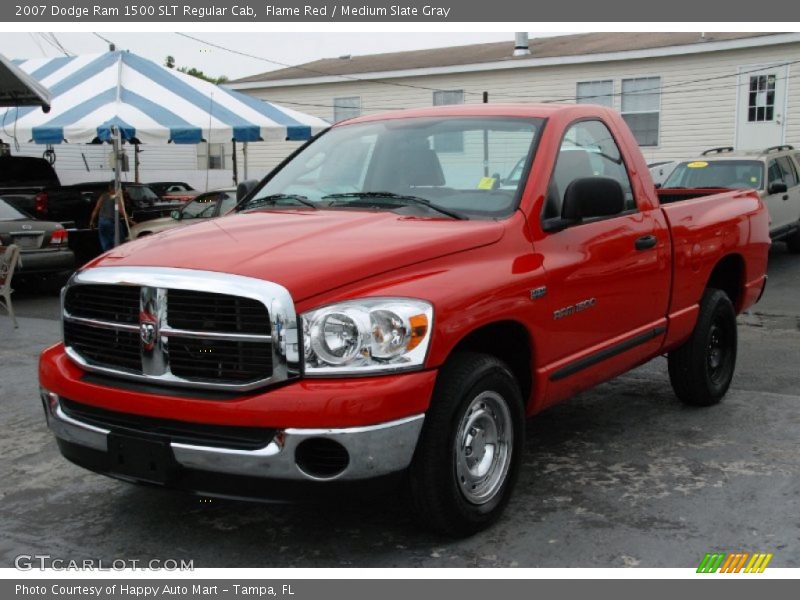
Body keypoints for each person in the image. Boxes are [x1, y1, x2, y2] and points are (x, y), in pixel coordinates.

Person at [89, 181, 130, 251]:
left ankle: (108, 257)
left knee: (105, 243)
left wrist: (91, 221)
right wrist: (130, 221)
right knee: (118, 244)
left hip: (102, 222)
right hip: (113, 222)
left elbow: (96, 209)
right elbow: (121, 211)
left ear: (109, 187)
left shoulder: (103, 196)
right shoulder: (117, 197)